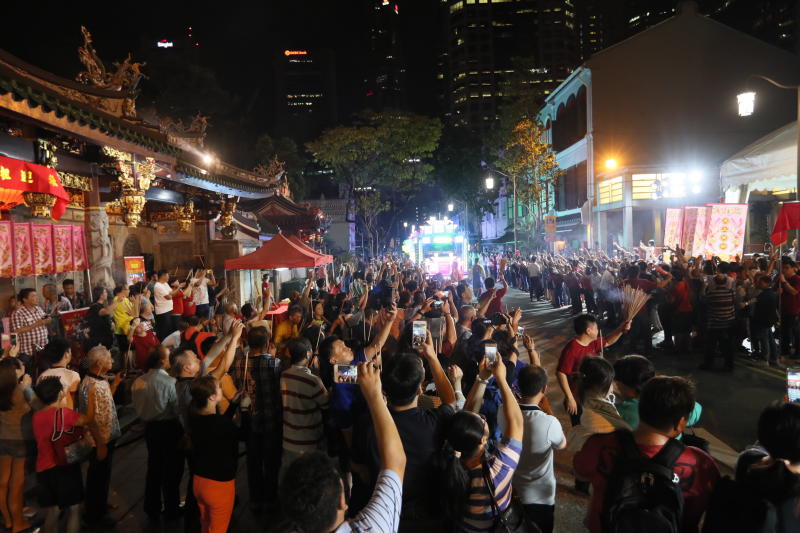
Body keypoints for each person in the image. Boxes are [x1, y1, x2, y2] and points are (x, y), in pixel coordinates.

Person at [573, 376, 720, 533]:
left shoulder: (600, 444)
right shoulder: (700, 464)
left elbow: (580, 472)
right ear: (681, 423)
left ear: (639, 407)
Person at [280, 361, 406, 533]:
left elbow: (395, 464)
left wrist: (374, 398)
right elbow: (395, 463)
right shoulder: (373, 527)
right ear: (342, 501)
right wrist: (375, 396)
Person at [357, 332, 456, 530]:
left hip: (386, 513)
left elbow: (361, 470)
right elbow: (451, 401)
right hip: (428, 514)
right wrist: (432, 357)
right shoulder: (434, 423)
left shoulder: (367, 423)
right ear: (421, 386)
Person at [438, 353, 524, 532]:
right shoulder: (496, 471)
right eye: (483, 422)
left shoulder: (447, 458)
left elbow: (466, 418)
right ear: (484, 440)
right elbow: (516, 422)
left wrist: (482, 379)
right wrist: (502, 379)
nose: (483, 417)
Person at [498, 365, 565, 533]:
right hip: (540, 497)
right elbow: (562, 444)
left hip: (512, 492)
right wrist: (548, 411)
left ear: (519, 385)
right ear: (544, 389)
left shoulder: (503, 411)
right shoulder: (549, 422)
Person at [33, 376, 96, 533]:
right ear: (60, 393)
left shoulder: (36, 416)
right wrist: (92, 398)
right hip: (64, 468)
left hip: (43, 469)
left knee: (53, 511)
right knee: (74, 509)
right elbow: (88, 419)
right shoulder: (65, 414)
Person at [234, 326, 283, 512]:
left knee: (253, 460)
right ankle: (270, 497)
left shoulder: (240, 363)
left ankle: (255, 497)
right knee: (271, 460)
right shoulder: (274, 363)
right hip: (271, 419)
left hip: (249, 419)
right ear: (266, 343)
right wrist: (273, 355)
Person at [131, 348, 183, 520]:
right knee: (171, 470)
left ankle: (151, 507)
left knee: (154, 467)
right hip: (168, 427)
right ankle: (171, 508)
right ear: (162, 361)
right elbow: (177, 409)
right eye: (168, 357)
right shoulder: (169, 382)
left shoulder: (138, 381)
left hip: (150, 429)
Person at [556, 314, 630, 426]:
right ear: (588, 331)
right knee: (580, 425)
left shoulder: (591, 343)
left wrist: (621, 328)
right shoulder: (572, 349)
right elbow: (561, 373)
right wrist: (570, 398)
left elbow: (608, 341)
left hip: (591, 394)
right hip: (578, 396)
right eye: (596, 328)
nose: (598, 330)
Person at [78, 346, 123, 528]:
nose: (111, 362)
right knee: (97, 477)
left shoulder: (100, 380)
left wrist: (116, 384)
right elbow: (91, 419)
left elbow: (107, 401)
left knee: (103, 475)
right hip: (99, 440)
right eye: (109, 359)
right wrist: (101, 443)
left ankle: (101, 505)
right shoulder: (90, 385)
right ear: (99, 363)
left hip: (107, 436)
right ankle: (94, 515)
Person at [188, 376, 240, 533]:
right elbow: (244, 434)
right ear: (212, 397)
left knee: (206, 524)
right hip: (219, 486)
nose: (221, 390)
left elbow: (218, 424)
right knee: (218, 529)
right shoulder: (221, 424)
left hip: (199, 482)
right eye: (219, 388)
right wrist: (245, 410)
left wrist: (234, 404)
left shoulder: (195, 418)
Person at [280, 337, 329, 474]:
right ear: (308, 354)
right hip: (308, 442)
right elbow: (325, 404)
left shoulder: (283, 375)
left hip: (288, 439)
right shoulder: (313, 381)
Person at [0, 353, 34, 533]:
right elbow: (37, 405)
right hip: (20, 441)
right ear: (15, 372)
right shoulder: (22, 390)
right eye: (21, 366)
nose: (24, 367)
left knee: (3, 482)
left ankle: (7, 520)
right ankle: (18, 523)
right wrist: (27, 386)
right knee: (17, 484)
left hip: (2, 439)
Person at [567, 357, 630, 453]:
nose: (613, 386)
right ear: (602, 386)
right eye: (611, 382)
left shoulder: (586, 404)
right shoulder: (596, 413)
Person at [38, 337, 80, 410]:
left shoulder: (42, 376)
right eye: (70, 351)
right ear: (66, 355)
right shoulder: (73, 375)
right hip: (66, 417)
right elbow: (74, 401)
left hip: (46, 417)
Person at [10, 288, 50, 360]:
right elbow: (16, 331)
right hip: (28, 352)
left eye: (36, 296)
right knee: (30, 370)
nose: (37, 298)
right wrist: (37, 324)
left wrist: (48, 320)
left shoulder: (39, 309)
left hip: (43, 348)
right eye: (33, 296)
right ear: (25, 299)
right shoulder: (18, 313)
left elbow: (44, 320)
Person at [153, 270, 181, 341]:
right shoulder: (158, 286)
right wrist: (178, 288)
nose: (168, 277)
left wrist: (178, 288)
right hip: (162, 312)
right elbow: (169, 297)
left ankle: (167, 346)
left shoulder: (165, 283)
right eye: (167, 275)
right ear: (163, 276)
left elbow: (171, 293)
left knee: (169, 330)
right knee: (164, 331)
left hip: (168, 310)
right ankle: (162, 346)